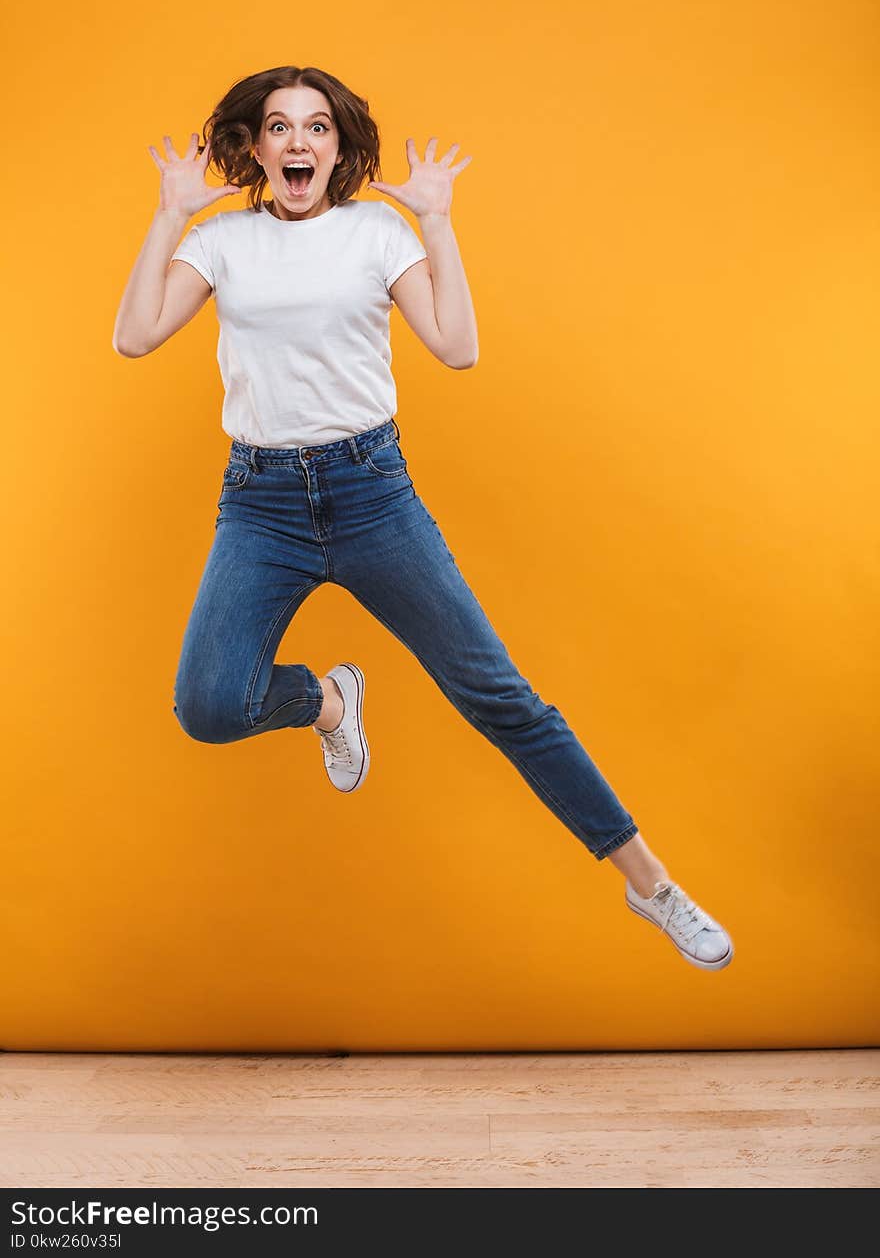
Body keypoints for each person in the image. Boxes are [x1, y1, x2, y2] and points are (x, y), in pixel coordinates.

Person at [113, 64, 733, 972]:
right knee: (207, 705)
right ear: (252, 147)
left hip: (370, 492)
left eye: (316, 128)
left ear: (337, 147)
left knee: (499, 697)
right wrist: (169, 213)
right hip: (262, 502)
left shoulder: (377, 231)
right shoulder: (222, 242)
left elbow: (457, 347)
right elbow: (134, 335)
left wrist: (438, 225)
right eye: (278, 128)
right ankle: (330, 702)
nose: (298, 143)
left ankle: (651, 885)